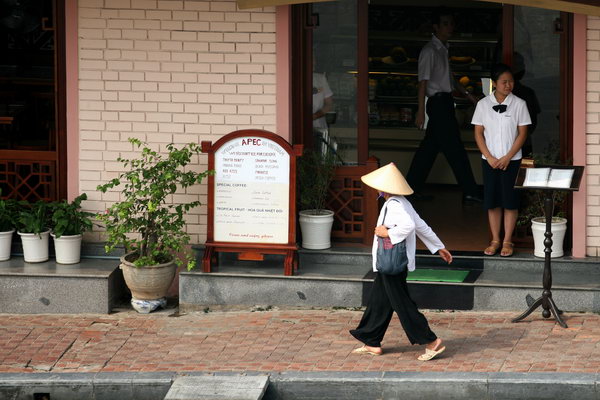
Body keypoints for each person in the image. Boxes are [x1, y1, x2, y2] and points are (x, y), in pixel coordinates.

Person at [349, 162, 453, 361]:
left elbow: (409, 225)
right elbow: (421, 225)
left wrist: (387, 232)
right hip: (392, 262)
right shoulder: (402, 202)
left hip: (392, 262)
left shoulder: (394, 204)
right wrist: (438, 246)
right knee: (380, 300)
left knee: (402, 303)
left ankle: (431, 341)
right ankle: (371, 340)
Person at [406, 7, 481, 203]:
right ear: (436, 27)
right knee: (455, 149)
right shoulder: (429, 51)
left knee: (429, 149)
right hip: (438, 104)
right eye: (445, 24)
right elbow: (422, 83)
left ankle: (411, 190)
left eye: (451, 23)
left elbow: (451, 78)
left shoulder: (443, 49)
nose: (450, 27)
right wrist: (420, 112)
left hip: (445, 102)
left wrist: (469, 96)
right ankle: (471, 191)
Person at [471, 63, 531, 257]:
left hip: (512, 161)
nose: (508, 85)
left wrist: (507, 157)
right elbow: (478, 133)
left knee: (510, 201)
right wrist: (489, 157)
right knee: (492, 201)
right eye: (504, 82)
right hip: (489, 161)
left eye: (511, 81)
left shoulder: (520, 104)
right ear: (494, 83)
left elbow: (522, 133)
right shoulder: (482, 104)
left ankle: (507, 241)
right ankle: (495, 239)